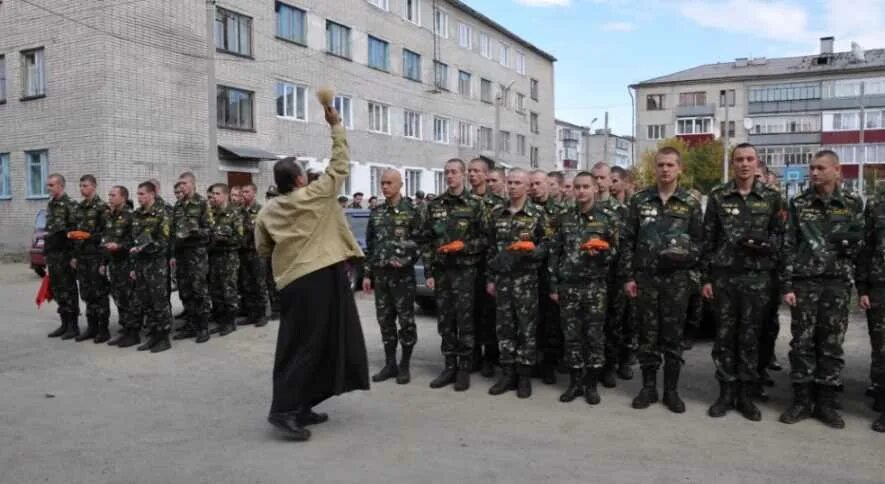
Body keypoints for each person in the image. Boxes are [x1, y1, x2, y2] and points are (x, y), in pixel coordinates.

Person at [255, 102, 368, 442]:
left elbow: (262, 247)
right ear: (301, 179)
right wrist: (336, 126)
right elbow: (340, 163)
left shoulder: (268, 210)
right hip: (318, 278)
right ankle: (284, 410)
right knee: (306, 345)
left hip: (292, 282)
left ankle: (302, 404)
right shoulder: (317, 195)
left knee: (311, 341)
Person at [779, 150, 863, 429]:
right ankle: (802, 401)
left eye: (820, 168)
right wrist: (788, 284)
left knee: (831, 344)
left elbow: (859, 243)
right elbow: (789, 243)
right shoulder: (800, 203)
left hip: (837, 283)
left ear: (836, 171)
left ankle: (826, 402)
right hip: (805, 283)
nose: (814, 173)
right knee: (802, 343)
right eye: (811, 168)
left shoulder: (852, 203)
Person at [702, 143, 784, 421]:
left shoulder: (771, 197)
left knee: (750, 337)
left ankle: (746, 395)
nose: (744, 164)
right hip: (725, 277)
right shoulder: (718, 196)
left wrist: (764, 245)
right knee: (725, 337)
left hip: (758, 278)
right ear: (733, 163)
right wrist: (706, 278)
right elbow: (708, 240)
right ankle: (725, 393)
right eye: (739, 159)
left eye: (749, 159)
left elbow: (781, 237)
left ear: (757, 163)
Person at [620, 146, 703, 413]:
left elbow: (701, 243)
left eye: (670, 165)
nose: (665, 169)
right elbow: (627, 241)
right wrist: (628, 277)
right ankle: (648, 389)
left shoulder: (689, 203)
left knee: (673, 338)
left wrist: (688, 263)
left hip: (676, 281)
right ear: (654, 168)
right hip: (646, 280)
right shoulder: (640, 201)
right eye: (660, 165)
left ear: (680, 169)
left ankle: (671, 391)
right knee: (647, 336)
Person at [549, 171, 619, 404]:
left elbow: (617, 251)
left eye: (585, 187)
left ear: (595, 189)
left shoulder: (607, 217)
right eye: (577, 187)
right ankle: (575, 382)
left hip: (594, 287)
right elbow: (554, 252)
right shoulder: (564, 217)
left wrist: (602, 252)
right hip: (569, 286)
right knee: (572, 337)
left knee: (594, 336)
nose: (581, 191)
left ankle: (591, 384)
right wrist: (554, 285)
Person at [422, 159, 486, 392]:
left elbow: (486, 239)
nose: (450, 176)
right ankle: (449, 366)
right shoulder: (434, 205)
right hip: (442, 272)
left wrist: (465, 246)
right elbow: (426, 240)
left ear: (463, 174)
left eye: (454, 172)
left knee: (465, 322)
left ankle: (464, 369)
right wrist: (429, 271)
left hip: (466, 272)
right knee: (445, 322)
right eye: (446, 172)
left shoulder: (475, 205)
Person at [485, 169, 548, 398]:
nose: (512, 187)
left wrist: (531, 252)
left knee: (526, 329)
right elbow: (490, 248)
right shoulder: (496, 213)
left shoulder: (537, 214)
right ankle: (507, 373)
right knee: (504, 329)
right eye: (509, 182)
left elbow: (547, 245)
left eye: (517, 183)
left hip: (526, 280)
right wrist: (490, 278)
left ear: (527, 186)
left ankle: (524, 376)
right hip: (502, 280)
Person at [362, 169, 423, 385]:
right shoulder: (376, 212)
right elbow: (370, 245)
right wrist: (367, 274)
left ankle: (404, 365)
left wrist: (407, 260)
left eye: (389, 183)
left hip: (402, 277)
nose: (385, 186)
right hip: (381, 276)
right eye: (382, 183)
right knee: (385, 320)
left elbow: (420, 243)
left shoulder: (412, 212)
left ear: (400, 184)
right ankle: (390, 364)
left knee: (406, 321)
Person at [589, 162, 632, 386]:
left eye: (602, 177)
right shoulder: (584, 208)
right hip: (590, 276)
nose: (598, 182)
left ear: (609, 180)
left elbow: (626, 245)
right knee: (593, 323)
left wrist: (626, 275)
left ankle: (611, 365)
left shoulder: (622, 210)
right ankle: (593, 366)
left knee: (615, 322)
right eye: (595, 177)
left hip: (614, 275)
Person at [468, 157, 505, 377]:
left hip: (489, 266)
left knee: (490, 313)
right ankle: (472, 355)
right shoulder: (461, 201)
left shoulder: (498, 204)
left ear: (485, 174)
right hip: (466, 267)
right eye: (470, 171)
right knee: (468, 313)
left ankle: (491, 356)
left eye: (477, 171)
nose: (472, 175)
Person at [530, 169, 566, 384]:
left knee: (552, 321)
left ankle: (550, 364)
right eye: (532, 184)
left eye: (539, 183)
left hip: (551, 274)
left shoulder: (561, 211)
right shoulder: (528, 210)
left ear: (548, 185)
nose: (535, 187)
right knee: (532, 321)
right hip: (528, 274)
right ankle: (533, 360)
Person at [129, 181, 173, 353]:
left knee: (159, 301)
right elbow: (134, 238)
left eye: (142, 194)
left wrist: (144, 248)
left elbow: (164, 241)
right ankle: (153, 335)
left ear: (152, 194)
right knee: (146, 301)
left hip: (156, 264)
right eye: (138, 194)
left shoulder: (162, 213)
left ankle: (164, 337)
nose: (139, 197)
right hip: (141, 263)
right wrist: (135, 261)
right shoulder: (137, 214)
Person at [170, 172, 212, 343]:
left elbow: (209, 231)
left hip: (196, 253)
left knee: (199, 291)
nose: (181, 187)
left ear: (193, 184)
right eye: (179, 184)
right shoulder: (178, 206)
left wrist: (195, 232)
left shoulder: (202, 203)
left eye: (184, 183)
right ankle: (191, 325)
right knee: (185, 291)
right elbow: (172, 230)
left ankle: (203, 327)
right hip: (181, 254)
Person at [70, 175, 112, 343]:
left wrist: (90, 237)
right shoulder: (79, 208)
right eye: (80, 186)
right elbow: (75, 233)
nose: (82, 189)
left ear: (94, 187)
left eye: (85, 185)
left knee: (99, 293)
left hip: (96, 255)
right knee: (86, 293)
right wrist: (74, 256)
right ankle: (91, 327)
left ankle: (103, 329)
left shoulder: (102, 207)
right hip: (82, 257)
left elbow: (107, 233)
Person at [858, 184, 885, 432]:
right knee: (881, 347)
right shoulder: (876, 204)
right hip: (880, 286)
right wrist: (863, 287)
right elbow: (866, 248)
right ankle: (880, 391)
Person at [44, 174, 81, 340]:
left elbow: (75, 233)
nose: (49, 188)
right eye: (48, 185)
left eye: (51, 185)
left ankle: (73, 326)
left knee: (69, 290)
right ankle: (64, 323)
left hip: (65, 255)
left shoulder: (70, 205)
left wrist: (74, 256)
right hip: (53, 255)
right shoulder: (51, 205)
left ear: (60, 186)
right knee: (58, 290)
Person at [103, 185, 139, 347]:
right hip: (114, 263)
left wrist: (120, 246)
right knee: (119, 297)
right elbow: (107, 237)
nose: (109, 198)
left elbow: (134, 241)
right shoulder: (110, 215)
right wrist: (105, 261)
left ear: (123, 197)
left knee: (129, 298)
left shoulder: (130, 216)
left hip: (126, 262)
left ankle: (133, 333)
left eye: (113, 195)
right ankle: (125, 329)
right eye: (109, 195)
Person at [207, 183, 243, 336]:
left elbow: (240, 237)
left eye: (216, 194)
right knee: (215, 290)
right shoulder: (210, 213)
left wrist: (224, 238)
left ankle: (230, 321)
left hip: (228, 257)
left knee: (228, 290)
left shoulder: (235, 213)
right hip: (213, 256)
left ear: (225, 195)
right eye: (212, 194)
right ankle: (221, 320)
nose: (213, 197)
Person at [238, 183, 268, 327]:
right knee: (246, 284)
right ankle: (251, 313)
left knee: (259, 284)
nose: (244, 194)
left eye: (247, 191)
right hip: (243, 252)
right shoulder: (240, 210)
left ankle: (262, 314)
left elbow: (260, 230)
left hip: (256, 252)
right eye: (242, 192)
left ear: (254, 193)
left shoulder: (260, 210)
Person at [265, 185, 281, 319]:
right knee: (270, 281)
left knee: (280, 282)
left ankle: (282, 308)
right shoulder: (265, 214)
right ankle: (275, 309)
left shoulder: (284, 213)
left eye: (273, 196)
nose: (270, 199)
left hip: (281, 254)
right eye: (268, 196)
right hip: (268, 253)